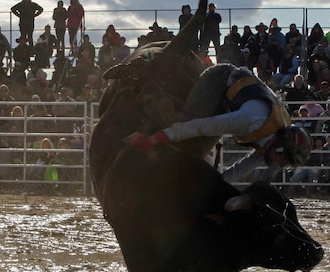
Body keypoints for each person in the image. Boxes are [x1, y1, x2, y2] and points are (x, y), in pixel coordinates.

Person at [124, 64, 312, 183]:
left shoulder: (272, 143)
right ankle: (144, 79)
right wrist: (154, 140)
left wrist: (219, 187)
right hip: (220, 79)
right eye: (284, 160)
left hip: (232, 99)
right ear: (280, 148)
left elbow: (240, 169)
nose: (281, 165)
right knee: (178, 122)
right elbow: (199, 126)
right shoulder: (252, 121)